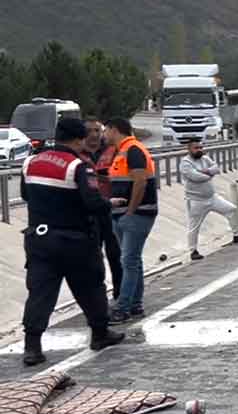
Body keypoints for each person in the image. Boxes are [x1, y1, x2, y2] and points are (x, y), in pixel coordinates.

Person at [18, 118, 123, 366]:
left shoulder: (30, 162)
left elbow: (25, 194)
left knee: (40, 293)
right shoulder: (78, 167)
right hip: (75, 241)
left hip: (39, 240)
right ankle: (100, 333)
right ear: (79, 139)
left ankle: (32, 347)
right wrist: (109, 204)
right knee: (90, 287)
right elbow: (92, 203)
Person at [105, 118, 158, 325]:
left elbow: (140, 181)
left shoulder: (133, 150)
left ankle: (123, 307)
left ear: (114, 130)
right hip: (124, 214)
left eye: (105, 130)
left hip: (136, 214)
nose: (104, 135)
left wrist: (131, 211)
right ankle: (135, 304)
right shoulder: (122, 151)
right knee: (133, 261)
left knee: (128, 261)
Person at [180, 138, 238, 260]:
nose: (199, 150)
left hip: (212, 197)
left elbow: (216, 168)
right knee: (194, 226)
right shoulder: (185, 163)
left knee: (231, 209)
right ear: (189, 149)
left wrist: (206, 171)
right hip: (196, 200)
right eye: (196, 148)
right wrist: (209, 174)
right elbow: (196, 177)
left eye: (201, 147)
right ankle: (193, 251)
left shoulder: (205, 158)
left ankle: (237, 235)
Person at [84, 119, 123, 300]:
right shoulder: (78, 154)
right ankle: (97, 296)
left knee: (116, 254)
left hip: (112, 210)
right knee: (93, 257)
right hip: (90, 213)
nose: (94, 134)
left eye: (97, 130)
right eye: (89, 131)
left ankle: (120, 293)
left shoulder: (113, 151)